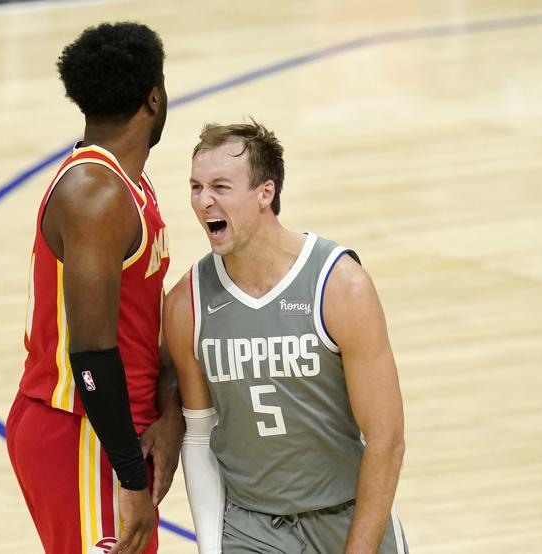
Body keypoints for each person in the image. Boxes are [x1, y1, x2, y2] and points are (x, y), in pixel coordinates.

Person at [163, 121, 408, 553]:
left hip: (346, 515)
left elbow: (386, 438)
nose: (204, 201)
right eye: (196, 187)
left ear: (265, 193)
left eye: (220, 186)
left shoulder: (340, 286)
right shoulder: (188, 303)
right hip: (252, 525)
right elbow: (199, 436)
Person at [6, 22, 182, 554]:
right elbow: (90, 353)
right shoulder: (95, 196)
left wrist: (170, 408)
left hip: (111, 427)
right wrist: (129, 477)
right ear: (154, 97)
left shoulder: (127, 182)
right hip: (83, 431)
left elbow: (135, 322)